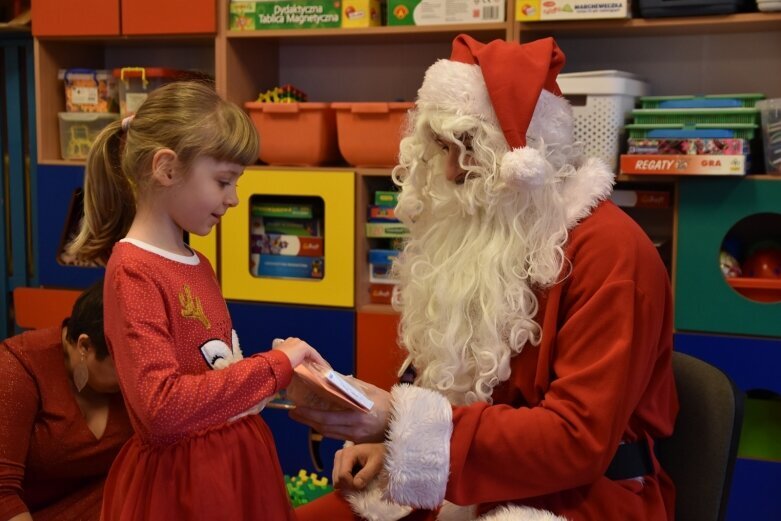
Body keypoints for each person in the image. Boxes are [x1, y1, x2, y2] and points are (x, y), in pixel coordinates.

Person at [289, 35, 678, 521]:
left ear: (525, 156)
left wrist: (400, 422)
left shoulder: (613, 255)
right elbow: (446, 371)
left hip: (576, 498)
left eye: (471, 148)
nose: (451, 171)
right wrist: (390, 439)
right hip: (455, 472)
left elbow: (577, 443)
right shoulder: (487, 229)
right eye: (442, 148)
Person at [66, 80, 325, 520]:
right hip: (186, 487)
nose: (234, 198)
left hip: (234, 467)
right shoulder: (133, 270)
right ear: (166, 169)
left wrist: (280, 375)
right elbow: (163, 409)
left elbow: (212, 375)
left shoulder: (196, 261)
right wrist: (271, 367)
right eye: (224, 181)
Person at [0, 279, 133, 521]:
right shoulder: (19, 368)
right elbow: (3, 493)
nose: (133, 377)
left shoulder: (138, 370)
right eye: (122, 367)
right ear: (84, 346)